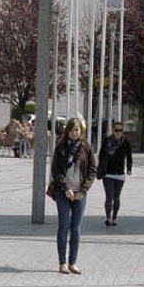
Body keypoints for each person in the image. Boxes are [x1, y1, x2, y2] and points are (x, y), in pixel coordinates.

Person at [50, 116, 96, 275]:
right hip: (64, 193)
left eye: (77, 130)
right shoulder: (60, 147)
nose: (74, 133)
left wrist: (83, 190)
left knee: (76, 228)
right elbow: (56, 171)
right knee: (63, 226)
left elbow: (92, 171)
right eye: (71, 130)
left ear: (81, 131)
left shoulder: (86, 148)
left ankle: (73, 262)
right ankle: (62, 262)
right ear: (67, 131)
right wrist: (66, 188)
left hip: (80, 193)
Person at [97, 122, 132, 226]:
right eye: (116, 130)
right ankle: (107, 217)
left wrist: (129, 168)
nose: (118, 132)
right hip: (108, 173)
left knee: (116, 197)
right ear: (113, 130)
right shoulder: (106, 141)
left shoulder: (125, 142)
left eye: (120, 130)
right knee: (109, 196)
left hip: (120, 174)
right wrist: (100, 168)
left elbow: (129, 156)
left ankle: (114, 217)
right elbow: (101, 155)